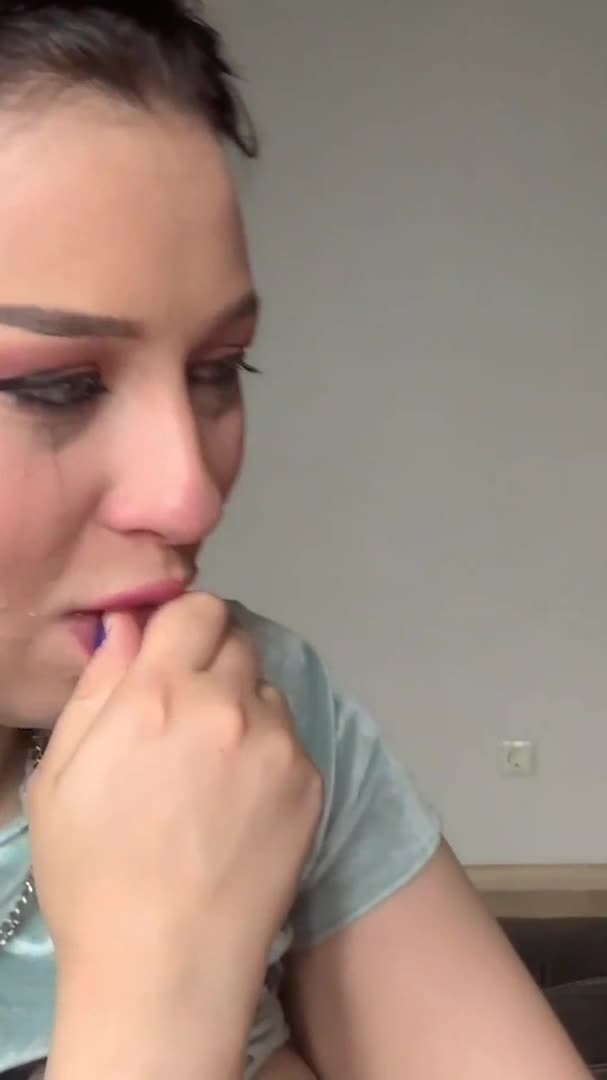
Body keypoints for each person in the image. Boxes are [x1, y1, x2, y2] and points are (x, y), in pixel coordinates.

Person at [0, 3, 591, 1078]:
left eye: (219, 369)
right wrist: (158, 993)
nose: (191, 498)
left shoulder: (257, 715)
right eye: (58, 386)